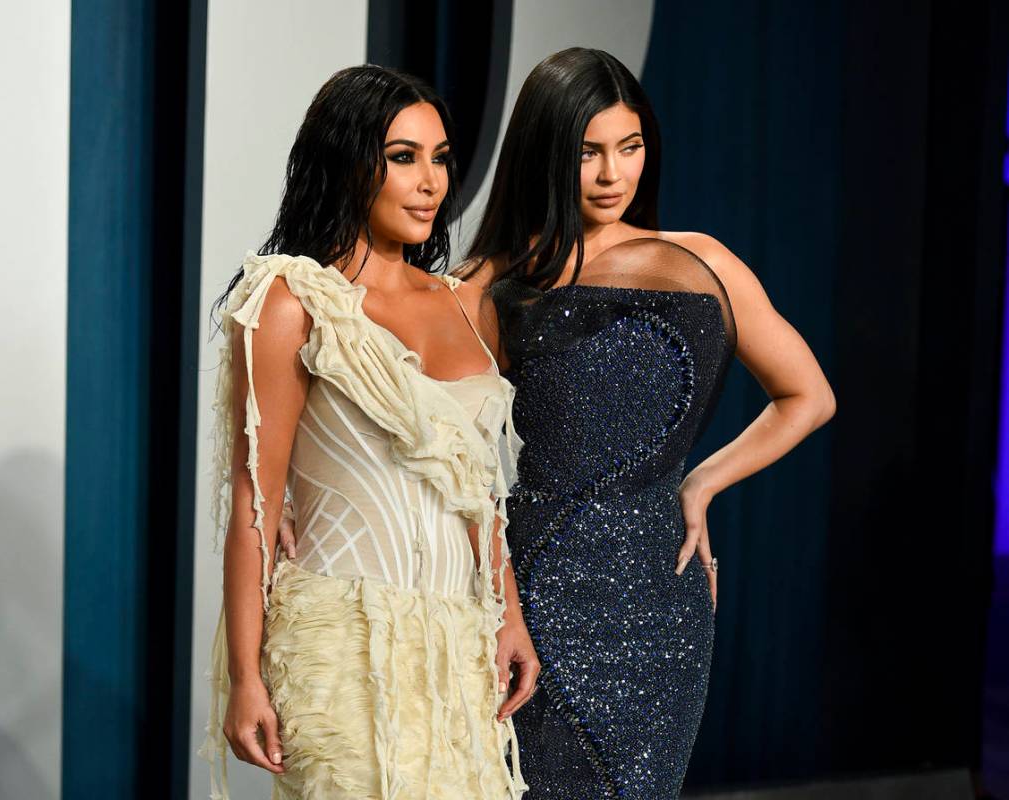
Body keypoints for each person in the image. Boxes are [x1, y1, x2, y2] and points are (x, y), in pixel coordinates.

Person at [458, 47, 836, 798]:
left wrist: (699, 483)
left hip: (663, 598)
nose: (611, 174)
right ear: (544, 154)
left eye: (629, 148)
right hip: (534, 592)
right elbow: (445, 449)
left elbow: (808, 396)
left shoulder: (706, 261)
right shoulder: (495, 283)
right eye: (588, 152)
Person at [200, 65, 537, 800]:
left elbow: (476, 488)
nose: (431, 182)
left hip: (460, 648)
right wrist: (247, 676)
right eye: (403, 157)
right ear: (351, 161)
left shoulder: (464, 305)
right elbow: (256, 500)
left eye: (441, 158)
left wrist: (510, 616)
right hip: (339, 642)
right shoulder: (291, 299)